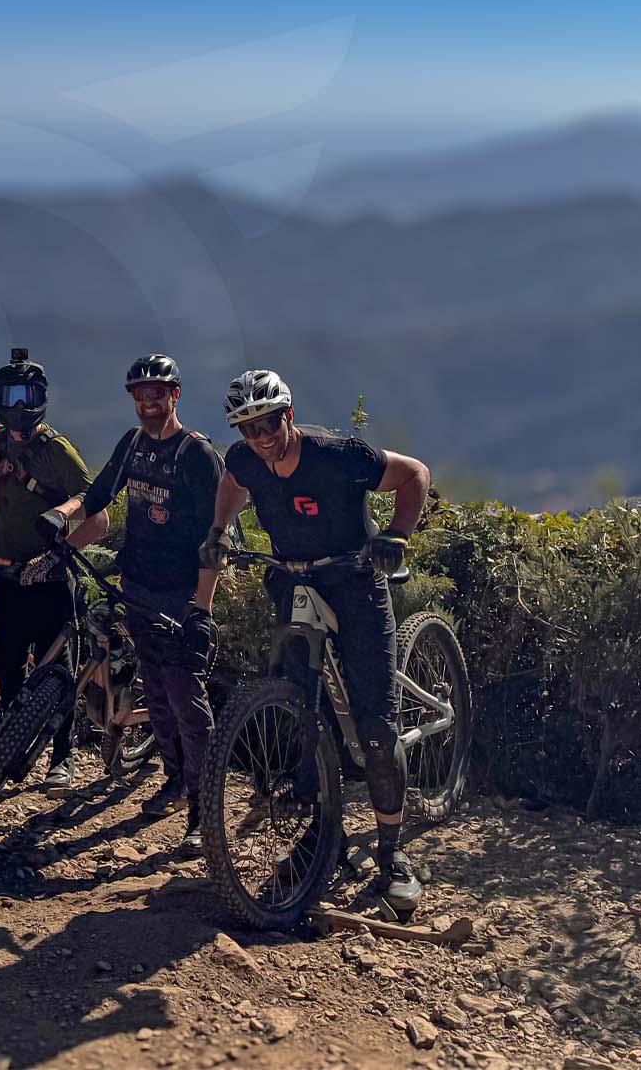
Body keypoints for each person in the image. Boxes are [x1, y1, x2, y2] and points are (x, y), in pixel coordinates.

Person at [199, 369, 433, 912]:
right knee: (302, 708)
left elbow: (414, 475)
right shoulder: (242, 459)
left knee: (375, 727)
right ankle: (319, 822)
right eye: (248, 426)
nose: (261, 435)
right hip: (292, 577)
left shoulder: (337, 455)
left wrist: (397, 535)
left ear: (288, 413)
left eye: (270, 421)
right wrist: (218, 532)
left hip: (354, 581)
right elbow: (233, 485)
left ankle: (392, 852)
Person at [40, 354, 220, 849]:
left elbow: (214, 538)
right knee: (157, 693)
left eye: (157, 393)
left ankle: (206, 805)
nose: (147, 402)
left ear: (175, 395)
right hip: (138, 585)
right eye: (139, 395)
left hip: (181, 593)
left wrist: (202, 609)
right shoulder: (134, 445)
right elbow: (99, 493)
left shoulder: (197, 455)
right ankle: (175, 781)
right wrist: (63, 514)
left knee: (186, 696)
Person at [0, 348, 108, 795]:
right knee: (10, 664)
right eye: (12, 394)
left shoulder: (57, 449)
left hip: (52, 576)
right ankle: (4, 745)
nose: (20, 405)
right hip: (6, 573)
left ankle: (62, 754)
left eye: (29, 394)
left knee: (56, 668)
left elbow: (98, 512)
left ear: (42, 398)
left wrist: (60, 539)